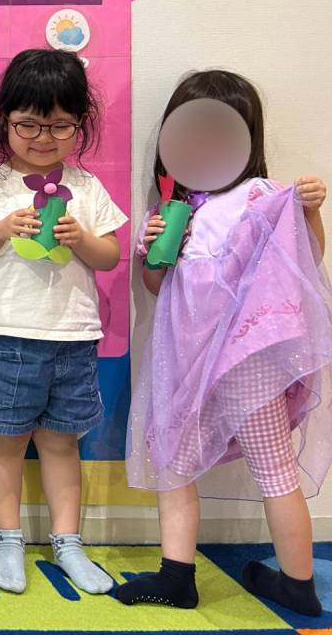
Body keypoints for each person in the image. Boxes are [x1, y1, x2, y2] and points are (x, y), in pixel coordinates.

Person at [117, 70, 332, 616]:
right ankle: (177, 575)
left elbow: (308, 258)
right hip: (186, 358)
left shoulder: (262, 196)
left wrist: (309, 210)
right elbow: (157, 287)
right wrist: (152, 251)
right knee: (174, 458)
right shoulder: (173, 208)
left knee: (272, 467)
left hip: (243, 359)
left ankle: (297, 582)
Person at [0, 49, 125, 595]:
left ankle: (68, 543)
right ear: (6, 121)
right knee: (3, 441)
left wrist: (82, 238)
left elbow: (110, 256)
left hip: (72, 337)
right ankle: (8, 540)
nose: (44, 138)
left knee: (62, 443)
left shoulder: (86, 188)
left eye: (60, 125)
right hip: (3, 336)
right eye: (29, 124)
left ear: (79, 125)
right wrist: (1, 229)